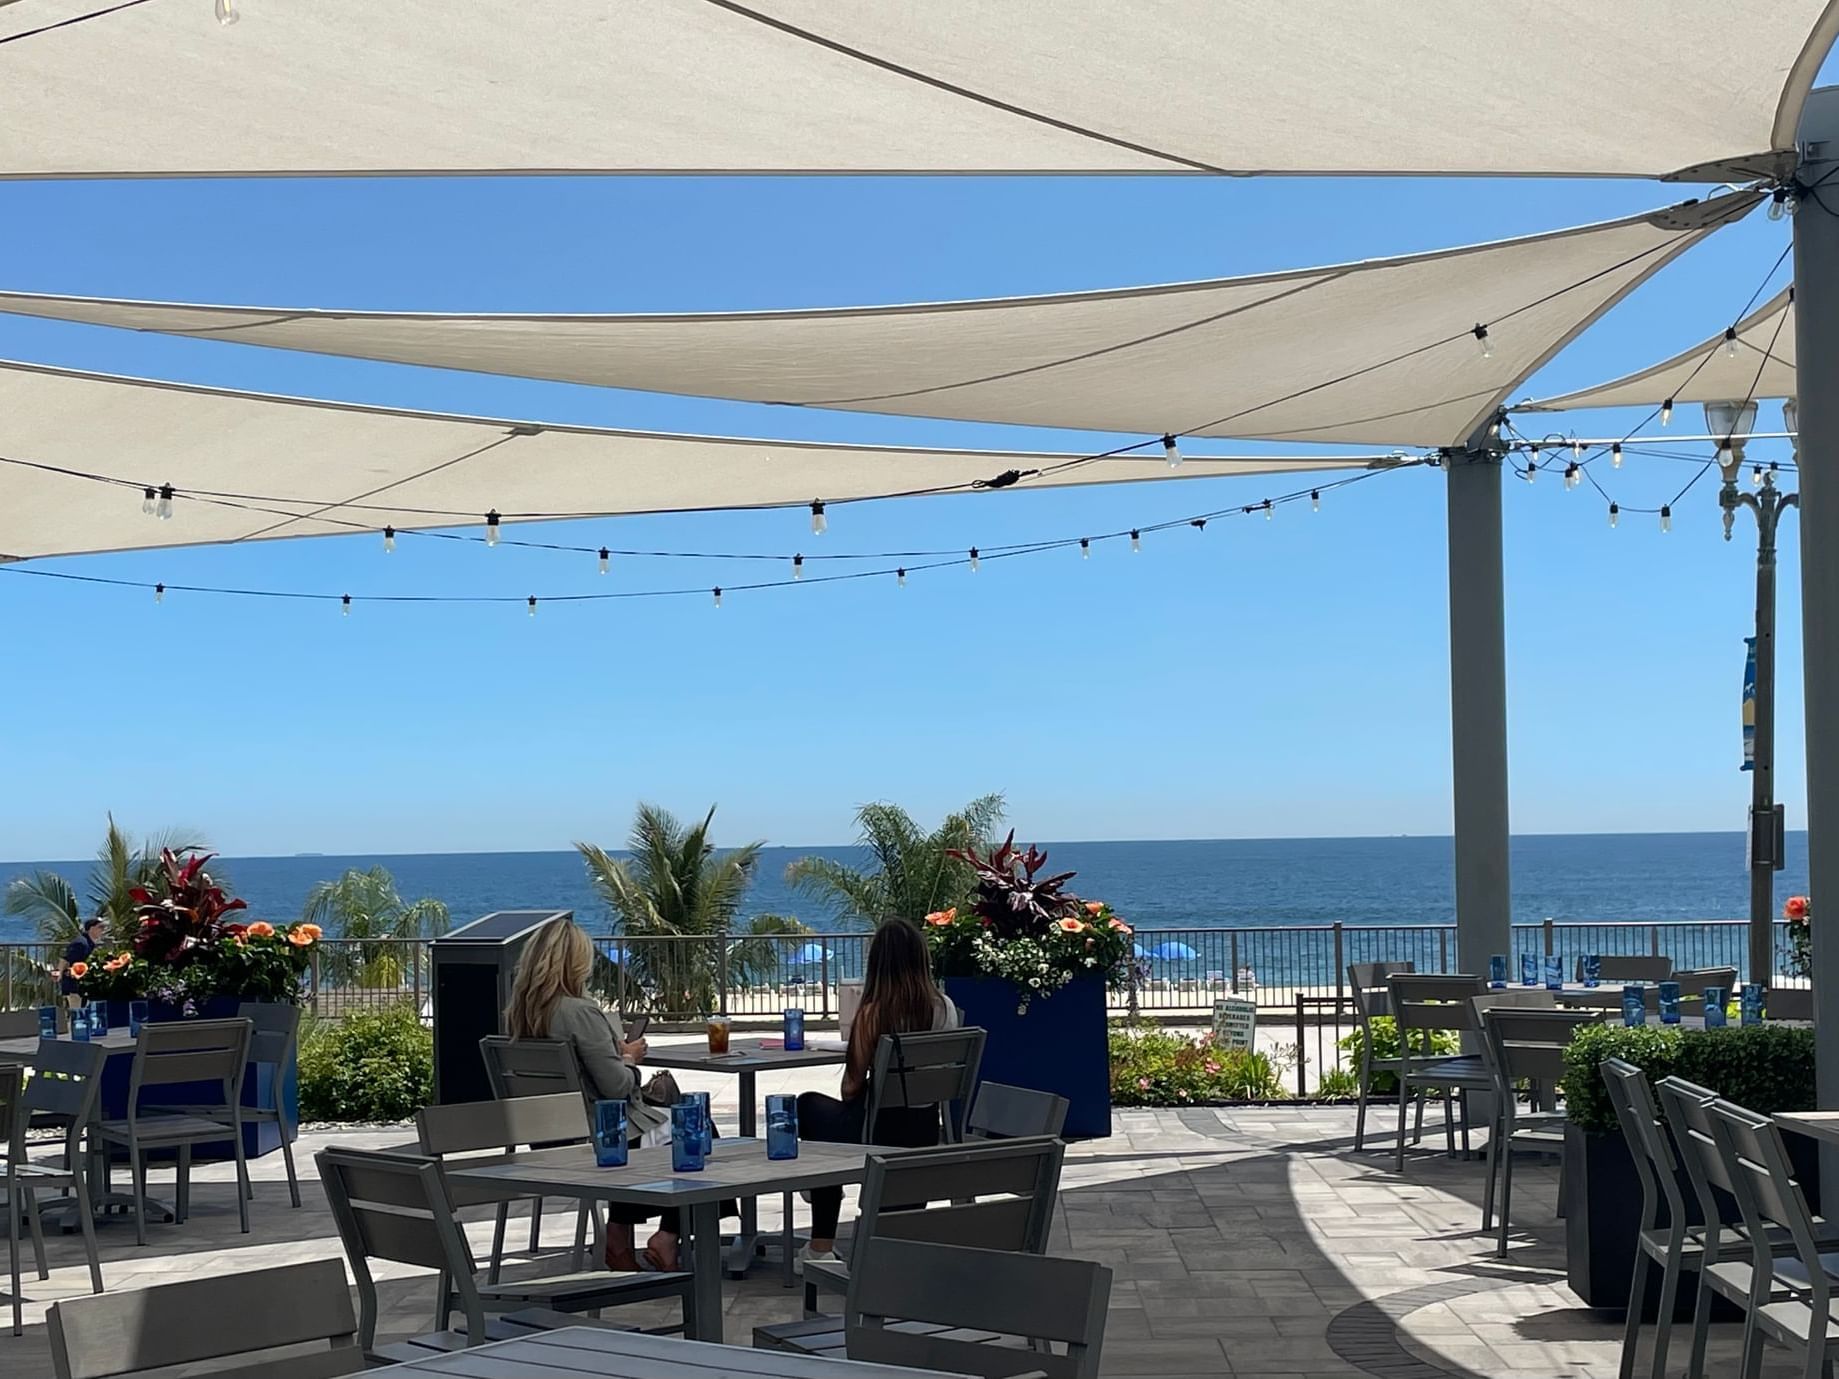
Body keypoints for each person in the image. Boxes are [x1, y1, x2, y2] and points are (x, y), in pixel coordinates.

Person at [505, 919, 685, 1272]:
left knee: (675, 1130)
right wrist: (630, 1059)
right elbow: (616, 1087)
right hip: (598, 1136)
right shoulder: (580, 1011)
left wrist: (610, 1051)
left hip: (546, 1136)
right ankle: (663, 1236)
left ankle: (623, 1236)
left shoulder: (519, 1015)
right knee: (698, 1132)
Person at [795, 919, 960, 1266]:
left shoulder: (873, 1013)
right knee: (828, 1137)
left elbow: (850, 1087)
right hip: (925, 1129)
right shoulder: (945, 1007)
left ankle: (821, 1242)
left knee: (810, 1109)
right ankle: (820, 1193)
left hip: (879, 1130)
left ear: (878, 963)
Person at [59, 917, 105, 1010]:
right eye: (100, 927)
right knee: (76, 1011)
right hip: (74, 987)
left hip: (82, 986)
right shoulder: (81, 943)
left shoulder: (88, 943)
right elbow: (66, 960)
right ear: (91, 929)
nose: (103, 930)